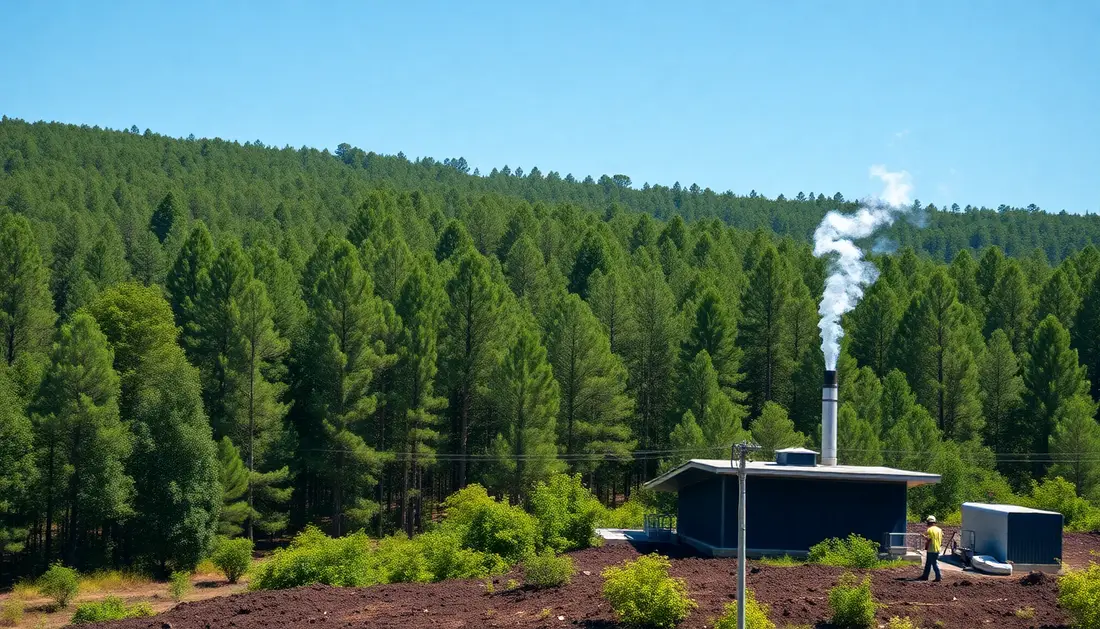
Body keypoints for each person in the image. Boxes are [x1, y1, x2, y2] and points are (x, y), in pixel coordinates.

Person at [920, 515, 942, 582]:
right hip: (937, 548)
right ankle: (925, 576)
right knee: (928, 563)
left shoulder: (929, 529)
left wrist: (923, 536)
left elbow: (929, 539)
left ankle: (938, 577)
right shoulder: (939, 530)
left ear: (928, 523)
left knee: (934, 563)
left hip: (931, 549)